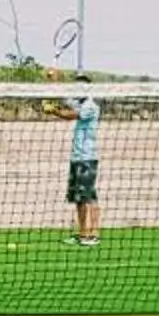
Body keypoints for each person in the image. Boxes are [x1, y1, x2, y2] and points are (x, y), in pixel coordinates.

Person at [62, 88, 103, 244]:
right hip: (77, 157)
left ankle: (94, 234)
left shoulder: (90, 106)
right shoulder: (80, 102)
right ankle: (83, 233)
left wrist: (54, 111)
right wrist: (55, 81)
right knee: (79, 198)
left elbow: (72, 115)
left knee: (89, 196)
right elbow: (65, 99)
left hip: (88, 157)